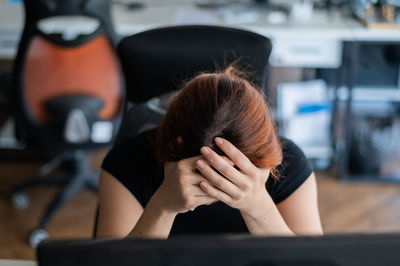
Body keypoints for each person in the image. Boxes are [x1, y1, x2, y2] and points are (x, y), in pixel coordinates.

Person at [96, 67, 323, 238]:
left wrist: (259, 208)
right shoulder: (127, 162)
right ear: (175, 144)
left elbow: (313, 263)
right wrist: (162, 206)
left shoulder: (289, 163)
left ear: (262, 151)